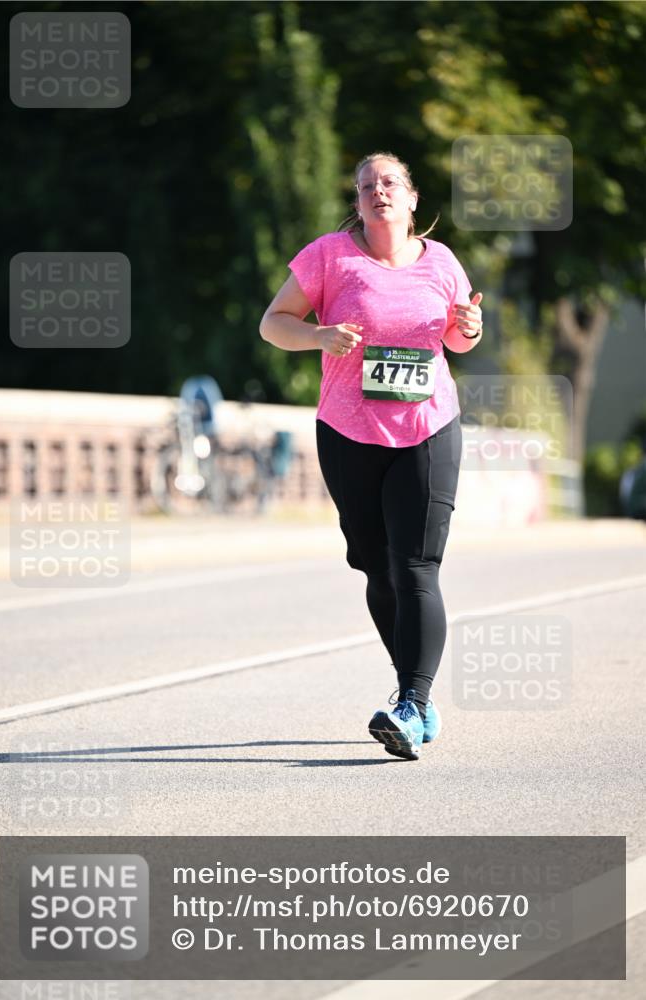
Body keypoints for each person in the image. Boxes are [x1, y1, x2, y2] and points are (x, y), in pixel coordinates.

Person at [259, 151, 483, 761]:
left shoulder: (442, 262)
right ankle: (416, 692)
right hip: (348, 431)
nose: (378, 192)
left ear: (412, 198)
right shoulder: (329, 256)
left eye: (390, 183)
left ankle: (410, 701)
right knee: (374, 566)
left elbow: (458, 338)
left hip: (427, 426)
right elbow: (272, 323)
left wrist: (471, 325)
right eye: (366, 186)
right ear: (356, 202)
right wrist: (318, 336)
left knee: (416, 566)